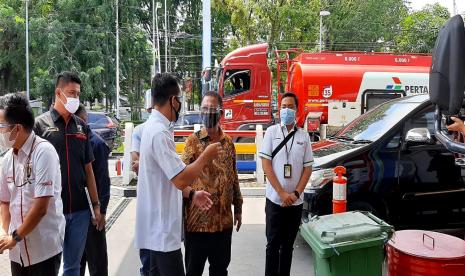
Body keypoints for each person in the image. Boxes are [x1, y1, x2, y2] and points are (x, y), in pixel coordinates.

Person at [135, 73, 221, 276]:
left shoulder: (153, 129)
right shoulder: (159, 133)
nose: (180, 105)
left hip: (156, 231)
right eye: (180, 100)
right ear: (173, 100)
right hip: (162, 233)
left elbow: (168, 179)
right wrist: (206, 156)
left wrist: (192, 194)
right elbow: (181, 178)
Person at [34, 72, 103, 276]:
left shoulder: (81, 126)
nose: (76, 98)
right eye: (71, 93)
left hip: (80, 210)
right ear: (58, 92)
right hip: (50, 211)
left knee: (73, 266)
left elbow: (88, 169)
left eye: (78, 94)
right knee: (48, 266)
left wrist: (96, 205)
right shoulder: (40, 125)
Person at [0, 93, 65, 275]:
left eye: (1, 126)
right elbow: (4, 201)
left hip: (43, 249)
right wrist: (3, 232)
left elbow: (41, 207)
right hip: (17, 251)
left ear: (17, 129)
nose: (0, 132)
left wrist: (15, 236)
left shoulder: (43, 152)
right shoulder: (7, 160)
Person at [181, 92, 243, 276]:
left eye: (212, 109)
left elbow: (233, 176)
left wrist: (238, 208)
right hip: (197, 224)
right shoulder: (193, 141)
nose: (208, 112)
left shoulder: (228, 143)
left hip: (223, 224)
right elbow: (180, 178)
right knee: (193, 271)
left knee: (220, 270)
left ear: (221, 113)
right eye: (204, 108)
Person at [259, 92, 313, 276]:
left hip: (295, 203)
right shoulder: (272, 132)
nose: (286, 110)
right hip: (275, 200)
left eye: (290, 106)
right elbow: (266, 164)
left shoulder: (304, 137)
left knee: (288, 247)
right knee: (272, 244)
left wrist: (296, 194)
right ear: (279, 109)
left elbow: (307, 169)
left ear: (296, 110)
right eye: (283, 106)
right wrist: (282, 193)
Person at [75, 105, 110, 276]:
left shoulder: (96, 144)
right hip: (74, 214)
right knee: (76, 262)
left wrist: (101, 210)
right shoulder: (71, 142)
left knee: (97, 262)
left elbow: (103, 180)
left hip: (93, 214)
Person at [131, 90, 152, 275]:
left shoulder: (166, 130)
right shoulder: (139, 131)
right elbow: (134, 163)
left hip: (164, 200)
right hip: (146, 196)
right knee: (147, 252)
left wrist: (145, 162)